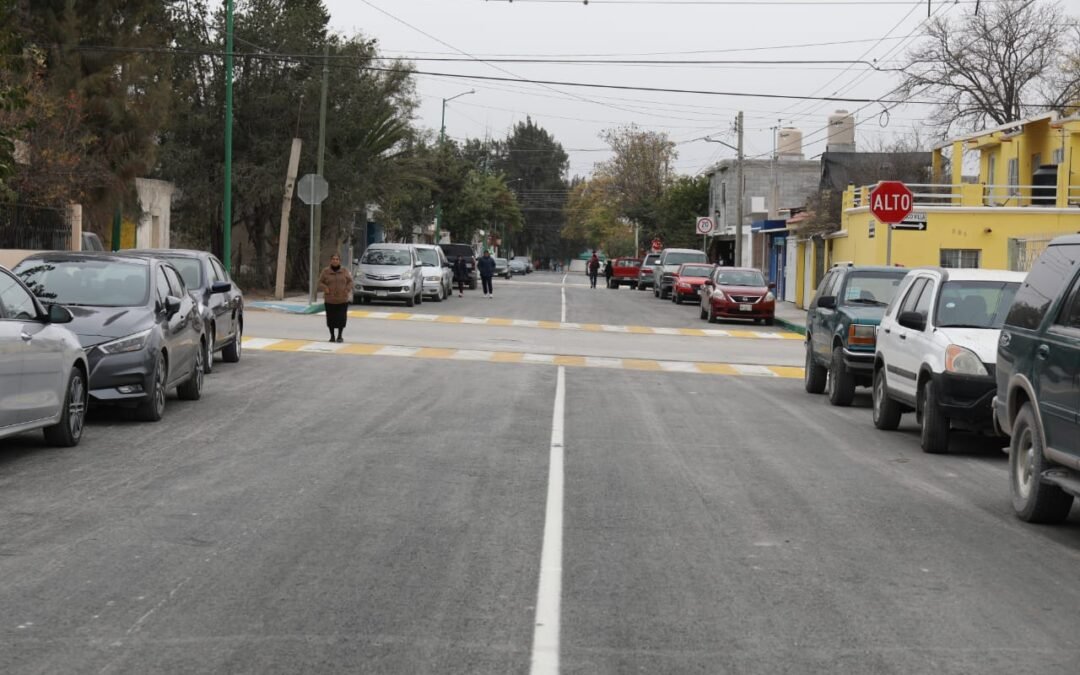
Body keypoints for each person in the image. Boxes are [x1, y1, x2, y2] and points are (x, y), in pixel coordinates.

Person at [318, 253, 352, 343]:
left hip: (342, 300)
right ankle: (332, 336)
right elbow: (320, 282)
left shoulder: (344, 271)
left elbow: (350, 281)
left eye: (337, 259)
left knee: (341, 318)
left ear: (339, 261)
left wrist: (347, 290)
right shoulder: (325, 271)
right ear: (330, 260)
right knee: (331, 319)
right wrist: (325, 288)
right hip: (330, 300)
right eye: (333, 259)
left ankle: (340, 336)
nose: (335, 260)